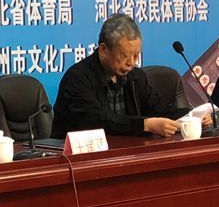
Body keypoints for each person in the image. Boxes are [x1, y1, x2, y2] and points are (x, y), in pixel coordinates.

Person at [52, 13, 202, 137]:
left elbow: (160, 110)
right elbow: (95, 121)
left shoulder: (136, 77)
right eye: (124, 56)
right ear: (103, 50)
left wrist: (192, 116)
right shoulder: (78, 79)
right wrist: (144, 125)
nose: (131, 62)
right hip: (78, 158)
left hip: (127, 154)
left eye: (136, 56)